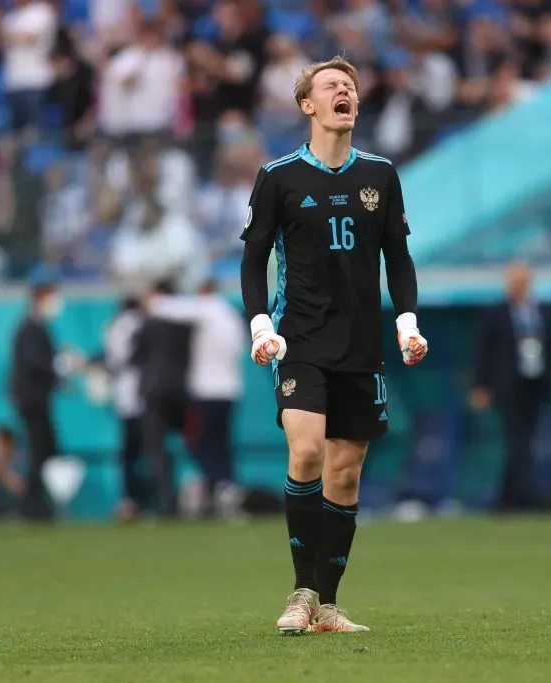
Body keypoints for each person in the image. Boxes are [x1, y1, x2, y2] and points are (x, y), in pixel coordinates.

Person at [239, 55, 428, 635]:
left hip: (361, 343)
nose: (344, 91)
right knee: (306, 453)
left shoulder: (380, 176)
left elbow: (397, 258)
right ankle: (300, 592)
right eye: (331, 86)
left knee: (345, 473)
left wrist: (407, 323)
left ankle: (326, 602)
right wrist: (260, 326)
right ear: (308, 105)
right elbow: (253, 259)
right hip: (299, 337)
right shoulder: (279, 177)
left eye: (350, 85)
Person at [469, 262, 551, 512]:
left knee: (527, 442)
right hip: (507, 387)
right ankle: (520, 498)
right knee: (518, 442)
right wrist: (480, 386)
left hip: (536, 384)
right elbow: (483, 351)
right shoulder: (496, 313)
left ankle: (510, 498)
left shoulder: (542, 312)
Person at [8, 277, 81, 520]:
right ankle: (32, 506)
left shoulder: (37, 327)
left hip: (38, 399)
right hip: (31, 400)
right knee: (40, 451)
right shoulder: (30, 328)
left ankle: (39, 504)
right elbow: (37, 362)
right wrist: (63, 365)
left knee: (45, 450)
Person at [131, 279, 196, 518]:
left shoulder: (148, 325)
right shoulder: (186, 327)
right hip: (181, 393)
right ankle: (182, 499)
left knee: (155, 449)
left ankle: (166, 502)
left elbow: (134, 357)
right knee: (184, 448)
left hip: (154, 394)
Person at [185, 279, 246, 517]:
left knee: (200, 442)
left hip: (205, 390)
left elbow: (166, 307)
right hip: (230, 390)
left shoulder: (202, 309)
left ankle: (216, 484)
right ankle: (225, 486)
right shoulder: (231, 315)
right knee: (222, 441)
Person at [103, 296, 146, 521]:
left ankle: (130, 502)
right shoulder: (145, 323)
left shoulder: (115, 327)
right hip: (148, 397)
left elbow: (114, 362)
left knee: (129, 456)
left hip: (127, 398)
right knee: (150, 453)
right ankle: (149, 502)